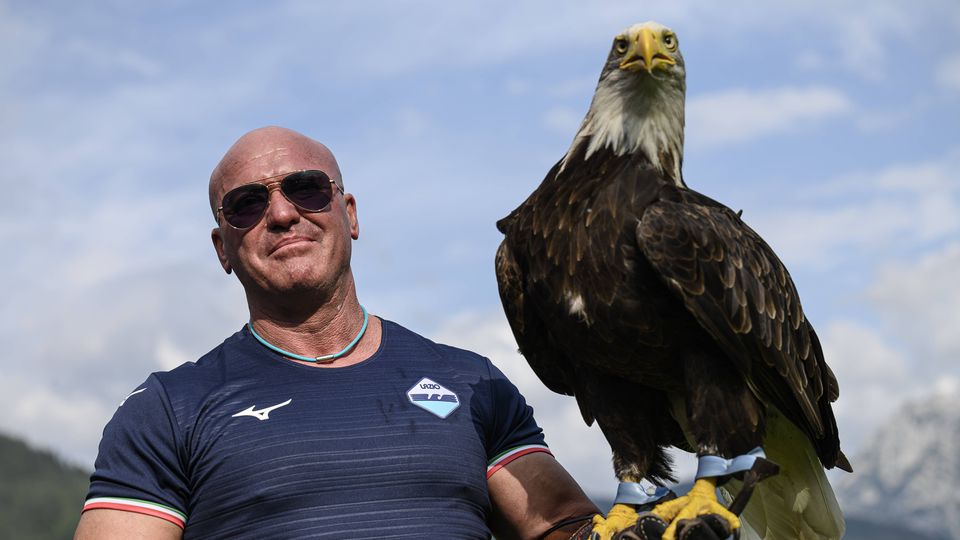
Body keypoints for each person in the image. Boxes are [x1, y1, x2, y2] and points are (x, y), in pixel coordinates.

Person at [75, 126, 734, 540]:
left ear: (348, 213)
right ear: (223, 247)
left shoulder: (468, 382)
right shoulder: (167, 409)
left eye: (306, 189)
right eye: (248, 203)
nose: (281, 213)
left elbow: (560, 526)